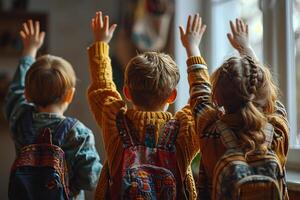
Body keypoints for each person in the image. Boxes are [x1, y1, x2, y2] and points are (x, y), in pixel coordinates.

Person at [87, 11, 206, 199]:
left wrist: (100, 43)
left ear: (127, 93)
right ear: (172, 96)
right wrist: (193, 49)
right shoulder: (184, 131)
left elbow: (102, 88)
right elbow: (202, 101)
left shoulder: (115, 122)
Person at [180, 15, 289, 199]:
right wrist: (246, 48)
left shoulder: (210, 132)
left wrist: (192, 47)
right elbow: (267, 95)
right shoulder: (278, 131)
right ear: (266, 95)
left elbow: (199, 93)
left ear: (217, 99)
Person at [4, 20, 102, 200]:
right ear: (69, 95)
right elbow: (91, 180)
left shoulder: (19, 117)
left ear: (28, 94)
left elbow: (14, 91)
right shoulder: (78, 134)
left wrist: (29, 51)